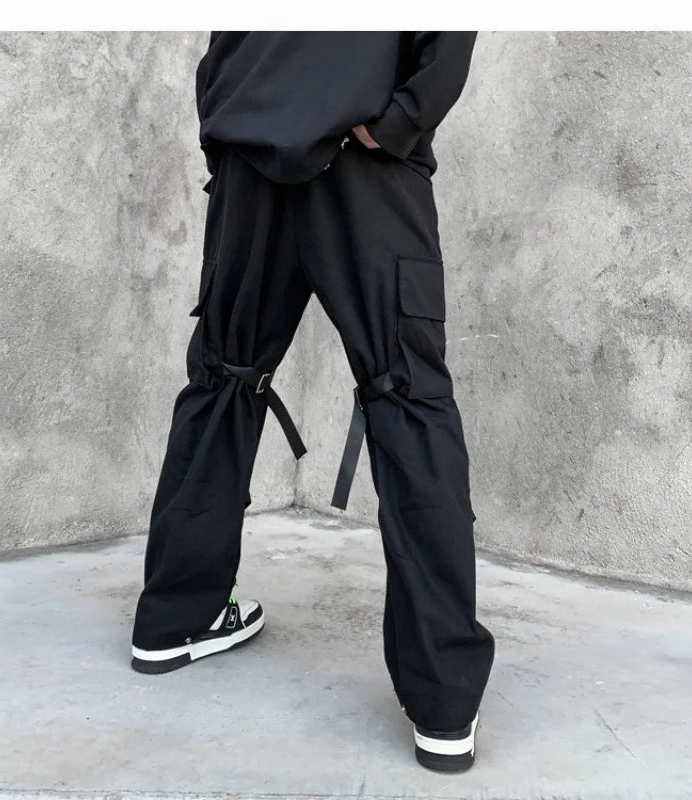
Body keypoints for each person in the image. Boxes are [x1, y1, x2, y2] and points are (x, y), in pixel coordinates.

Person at [130, 31, 495, 773]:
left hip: (254, 146)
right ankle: (443, 699)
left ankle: (173, 619)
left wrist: (226, 119)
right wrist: (398, 120)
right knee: (406, 398)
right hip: (361, 165)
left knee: (224, 378)